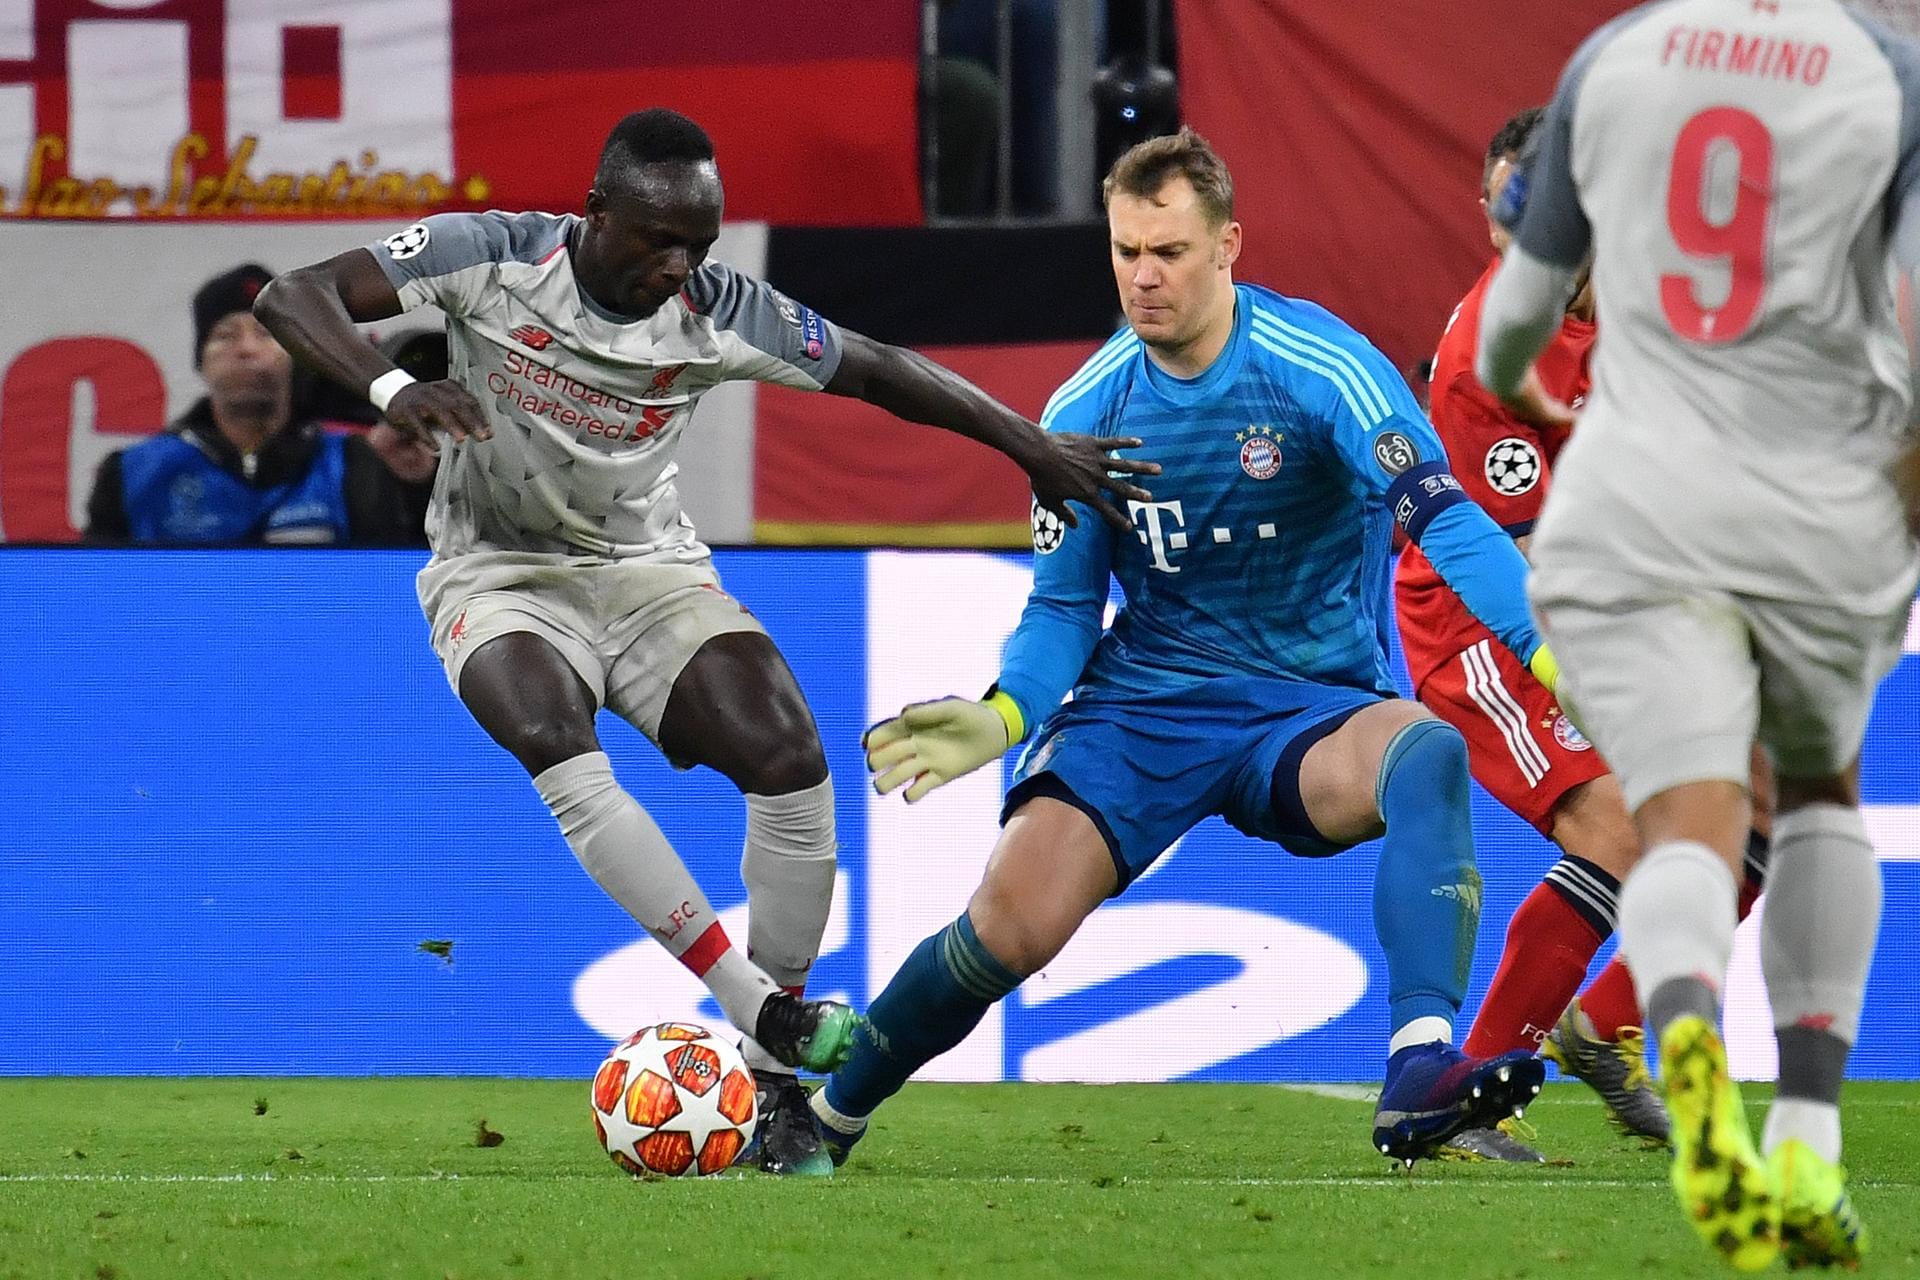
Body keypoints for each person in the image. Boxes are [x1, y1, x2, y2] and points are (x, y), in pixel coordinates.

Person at [253, 108, 1154, 1178]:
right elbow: (289, 294)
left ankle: (773, 1094)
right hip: (495, 574)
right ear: (596, 213)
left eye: (702, 244)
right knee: (548, 725)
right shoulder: (492, 251)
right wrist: (397, 388)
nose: (681, 266)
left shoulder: (720, 311)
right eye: (661, 240)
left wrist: (1027, 445)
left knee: (788, 752)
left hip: (649, 575)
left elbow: (879, 368)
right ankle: (762, 1010)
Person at [811, 127, 1557, 1168]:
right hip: (1143, 709)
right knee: (1008, 926)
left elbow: (1445, 520)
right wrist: (1003, 712)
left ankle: (1420, 1068)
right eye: (1126, 251)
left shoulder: (1324, 367)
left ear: (1228, 245)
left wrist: (1554, 653)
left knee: (1425, 749)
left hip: (1310, 703)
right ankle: (822, 1118)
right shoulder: (1083, 412)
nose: (1144, 276)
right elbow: (1066, 610)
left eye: (1168, 250)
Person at [1479, 0, 1920, 1265]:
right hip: (1821, 497)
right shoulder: (1893, 74)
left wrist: (1529, 388)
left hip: (1633, 496)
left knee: (1685, 814)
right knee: (1817, 799)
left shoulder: (1615, 56)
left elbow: (1516, 320)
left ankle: (1679, 1038)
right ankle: (1808, 1136)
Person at [1394, 108, 1774, 1159]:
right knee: (1614, 825)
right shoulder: (1484, 350)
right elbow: (1514, 558)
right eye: (1509, 208)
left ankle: (1600, 1022)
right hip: (1486, 622)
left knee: (1759, 812)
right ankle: (1467, 1096)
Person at [86, 264, 431, 546]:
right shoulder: (133, 472)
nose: (248, 349)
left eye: (266, 334)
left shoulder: (349, 461)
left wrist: (416, 488)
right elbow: (97, 593)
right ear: (201, 361)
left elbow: (397, 585)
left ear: (295, 356)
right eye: (226, 335)